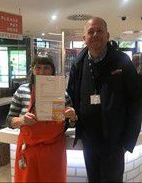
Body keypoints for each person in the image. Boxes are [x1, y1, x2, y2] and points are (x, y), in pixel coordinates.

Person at [67, 17, 142, 182]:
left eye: (99, 31)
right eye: (90, 32)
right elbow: (71, 97)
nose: (95, 35)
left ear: (107, 35)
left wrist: (127, 141)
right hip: (89, 140)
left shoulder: (123, 62)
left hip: (114, 142)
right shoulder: (78, 65)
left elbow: (136, 102)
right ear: (84, 38)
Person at [7, 54, 77, 182]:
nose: (42, 71)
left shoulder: (61, 93)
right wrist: (22, 120)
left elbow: (71, 124)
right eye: (38, 67)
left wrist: (72, 117)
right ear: (32, 69)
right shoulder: (22, 91)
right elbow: (9, 121)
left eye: (46, 67)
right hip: (28, 152)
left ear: (52, 70)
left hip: (54, 153)